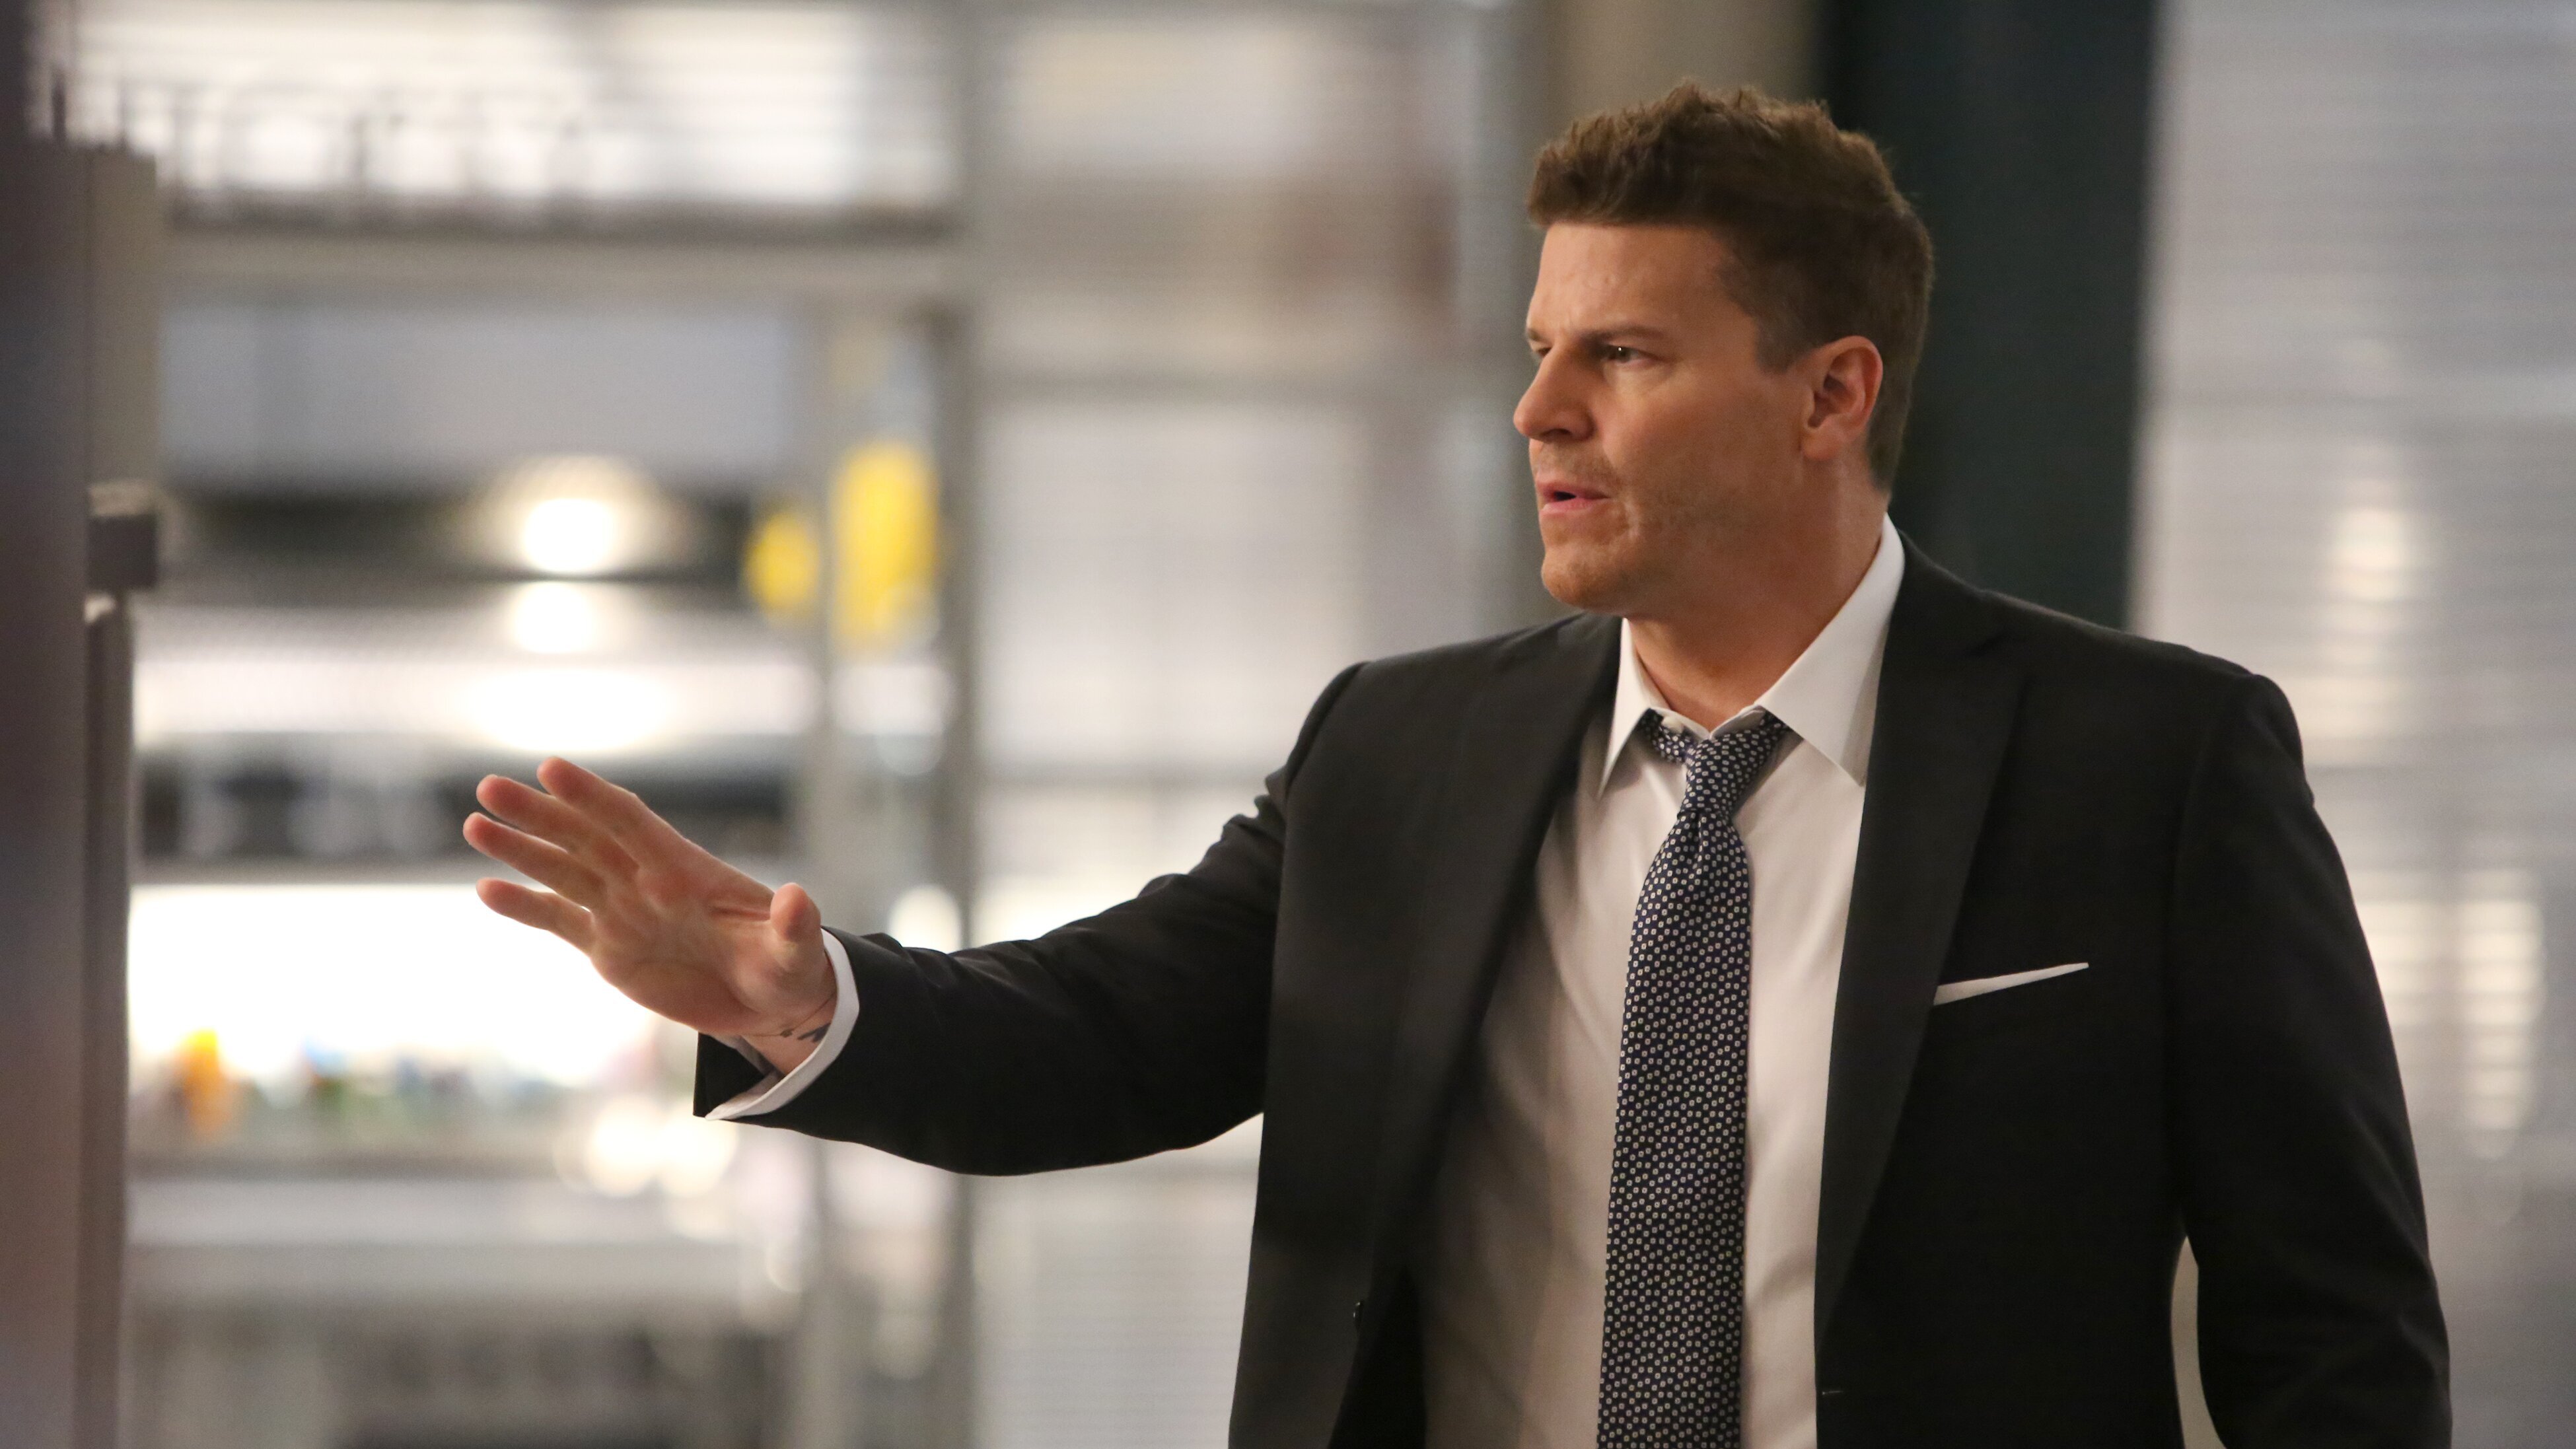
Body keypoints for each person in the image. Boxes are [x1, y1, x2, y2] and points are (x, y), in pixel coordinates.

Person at [465, 84, 2448, 1449]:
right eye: (1537, 348)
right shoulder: (1401, 751)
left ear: (1829, 393)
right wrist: (805, 999)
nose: (1536, 411)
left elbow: (2332, 1325)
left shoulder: (2154, 763)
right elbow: (1107, 1036)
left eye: (1623, 357)